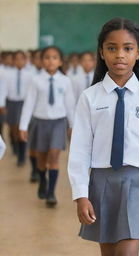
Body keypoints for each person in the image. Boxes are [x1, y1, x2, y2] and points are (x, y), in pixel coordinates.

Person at [68, 17, 139, 256]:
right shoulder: (90, 98)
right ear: (102, 52)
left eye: (128, 48)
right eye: (112, 48)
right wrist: (81, 194)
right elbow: (80, 150)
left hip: (138, 183)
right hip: (102, 184)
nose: (120, 55)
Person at [19, 46, 75, 207]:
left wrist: (72, 125)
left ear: (60, 61)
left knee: (54, 156)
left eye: (54, 57)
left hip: (58, 122)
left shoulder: (65, 81)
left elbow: (70, 105)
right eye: (47, 57)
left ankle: (51, 192)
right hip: (40, 122)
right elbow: (29, 104)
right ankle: (42, 179)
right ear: (41, 61)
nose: (51, 61)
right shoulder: (36, 80)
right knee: (41, 159)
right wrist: (23, 126)